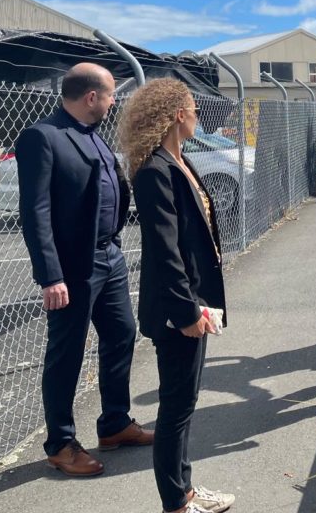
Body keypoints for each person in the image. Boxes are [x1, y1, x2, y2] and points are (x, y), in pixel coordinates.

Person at [16, 62, 153, 477]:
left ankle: (114, 423)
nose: (113, 104)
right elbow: (35, 212)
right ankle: (60, 444)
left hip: (109, 256)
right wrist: (51, 276)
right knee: (67, 352)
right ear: (92, 97)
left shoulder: (93, 136)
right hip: (73, 267)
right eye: (110, 96)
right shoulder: (43, 137)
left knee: (122, 334)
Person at [120, 78, 234, 513]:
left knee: (185, 403)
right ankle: (176, 502)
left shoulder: (179, 161)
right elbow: (165, 252)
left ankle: (184, 490)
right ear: (177, 115)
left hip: (194, 300)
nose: (198, 117)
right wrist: (187, 312)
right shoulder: (155, 171)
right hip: (178, 310)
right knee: (175, 408)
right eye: (194, 110)